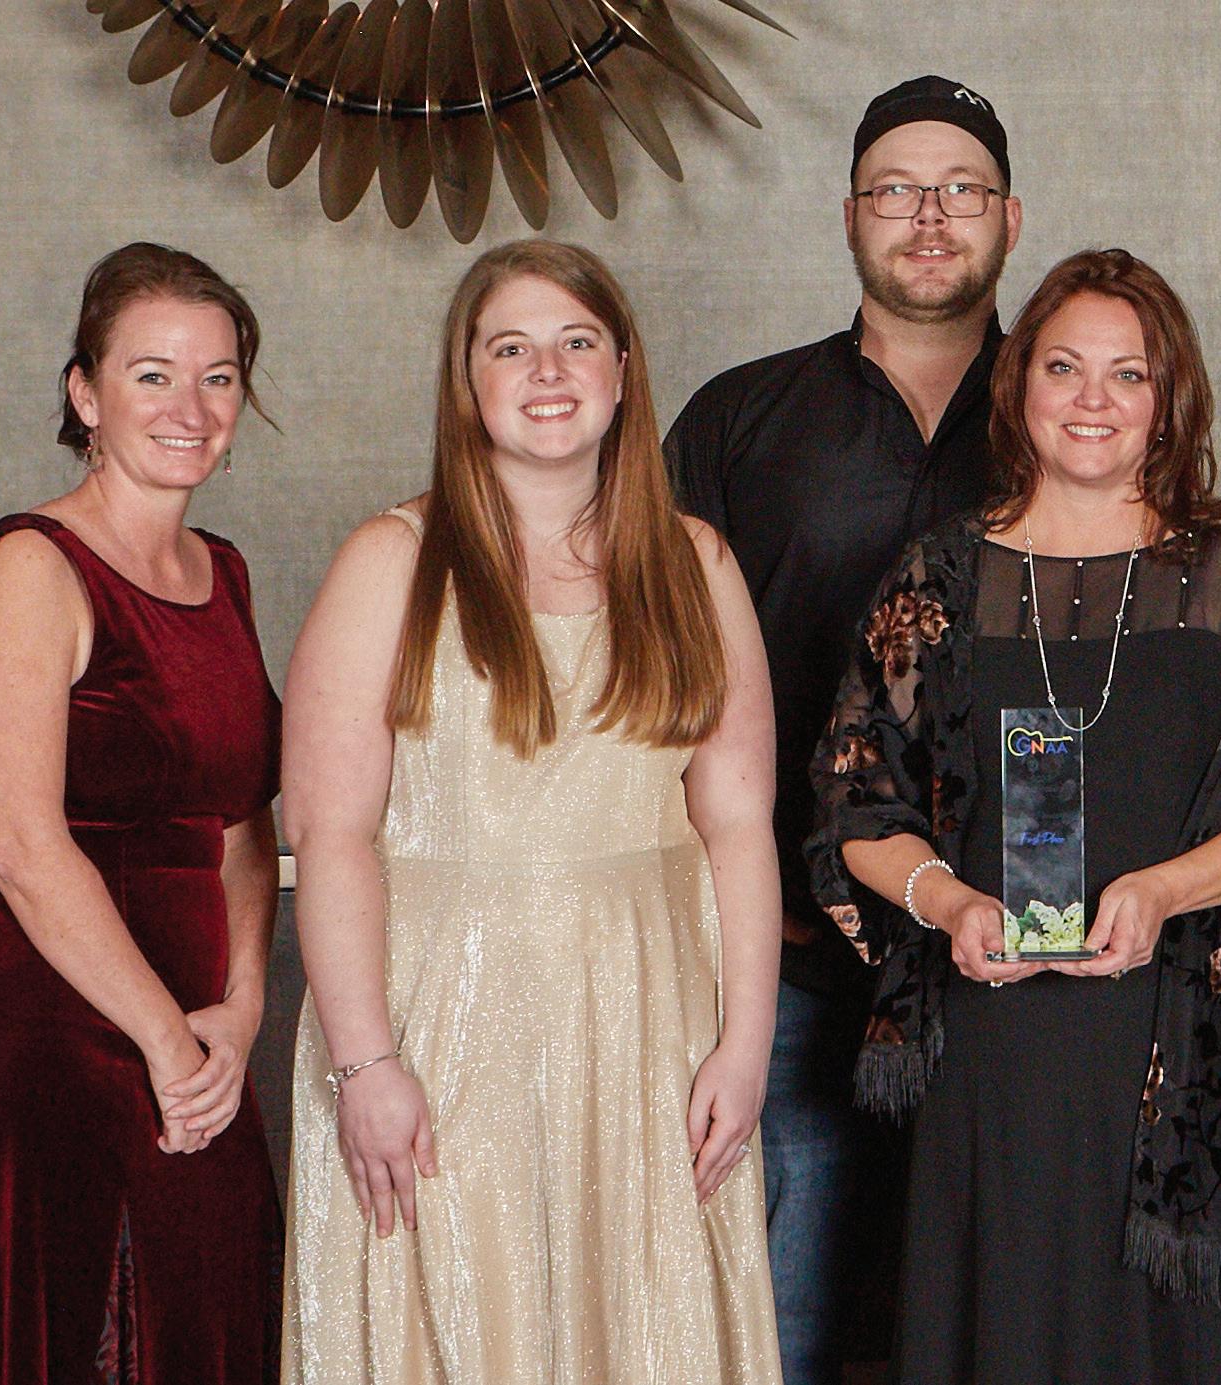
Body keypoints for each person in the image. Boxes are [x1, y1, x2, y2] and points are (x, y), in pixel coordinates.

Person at [807, 248, 1221, 1384]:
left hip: (1188, 1039)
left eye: (1128, 373)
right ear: (1019, 387)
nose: (1092, 399)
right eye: (1063, 367)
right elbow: (856, 802)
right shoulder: (939, 576)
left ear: (1168, 397)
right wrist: (948, 903)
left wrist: (1164, 889)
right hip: (998, 1045)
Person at [280, 239, 783, 1382]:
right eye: (510, 347)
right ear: (467, 381)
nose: (546, 372)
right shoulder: (391, 560)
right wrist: (363, 1061)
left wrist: (743, 1044)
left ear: (622, 369)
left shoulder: (694, 562)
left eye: (575, 341)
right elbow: (330, 830)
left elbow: (737, 822)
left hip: (649, 1020)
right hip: (435, 1022)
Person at [663, 74, 1019, 1383]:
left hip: (1010, 970)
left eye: (960, 189)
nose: (928, 215)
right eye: (896, 189)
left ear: (1010, 218)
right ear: (850, 214)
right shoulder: (737, 419)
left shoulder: (1079, 413)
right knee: (786, 1327)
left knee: (997, 1328)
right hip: (791, 971)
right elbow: (653, 688)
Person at [0, 242, 283, 1381]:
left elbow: (243, 824)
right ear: (85, 393)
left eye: (217, 377)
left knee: (204, 1320)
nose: (189, 408)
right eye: (152, 374)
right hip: (46, 1028)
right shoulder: (33, 564)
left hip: (196, 1034)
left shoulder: (225, 572)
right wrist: (165, 1037)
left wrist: (241, 1008)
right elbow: (21, 843)